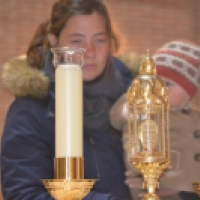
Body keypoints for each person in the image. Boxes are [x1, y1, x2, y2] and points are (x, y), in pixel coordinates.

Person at [0, 0, 133, 199]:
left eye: (99, 40)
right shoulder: (32, 110)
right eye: (77, 41)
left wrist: (153, 186)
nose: (89, 52)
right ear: (54, 41)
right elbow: (23, 193)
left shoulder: (130, 102)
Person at [109, 40, 200, 200]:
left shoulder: (194, 116)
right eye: (153, 81)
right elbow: (116, 116)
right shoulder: (142, 103)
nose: (158, 88)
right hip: (153, 181)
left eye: (169, 84)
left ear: (188, 95)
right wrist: (135, 108)